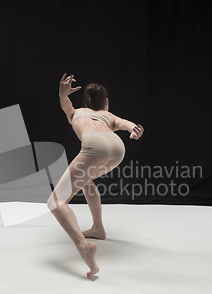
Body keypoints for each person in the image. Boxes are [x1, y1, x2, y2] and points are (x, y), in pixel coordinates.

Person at [47, 73, 144, 279]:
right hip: (117, 148)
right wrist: (134, 130)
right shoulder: (108, 116)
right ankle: (98, 228)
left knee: (55, 202)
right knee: (86, 180)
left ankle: (83, 246)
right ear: (106, 102)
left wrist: (62, 94)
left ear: (86, 102)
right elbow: (127, 124)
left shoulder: (76, 113)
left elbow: (66, 105)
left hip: (95, 147)